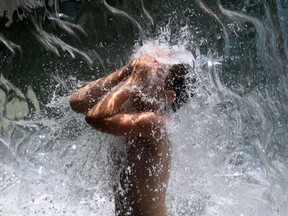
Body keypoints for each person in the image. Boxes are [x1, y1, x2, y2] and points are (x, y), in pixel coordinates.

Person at [70, 53, 191, 216]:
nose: (146, 71)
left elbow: (94, 118)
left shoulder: (154, 123)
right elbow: (77, 102)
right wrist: (125, 72)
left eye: (157, 71)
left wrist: (134, 81)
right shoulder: (127, 113)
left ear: (165, 96)